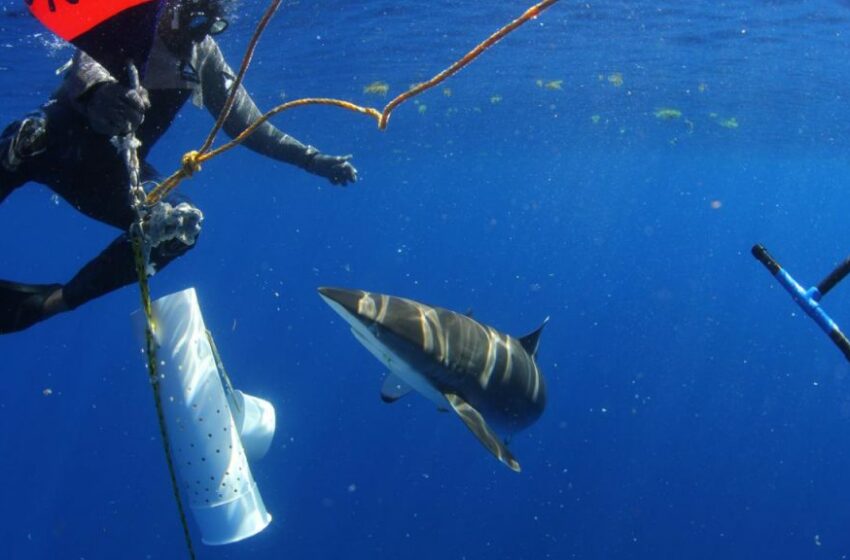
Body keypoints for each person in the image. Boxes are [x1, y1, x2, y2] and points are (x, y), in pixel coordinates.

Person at [0, 0, 357, 334]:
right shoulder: (132, 19)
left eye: (211, 26)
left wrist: (310, 159)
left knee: (179, 226)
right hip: (54, 142)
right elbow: (86, 61)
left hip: (108, 176)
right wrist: (95, 92)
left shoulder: (204, 58)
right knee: (27, 136)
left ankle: (46, 303)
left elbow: (247, 125)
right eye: (194, 19)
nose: (196, 36)